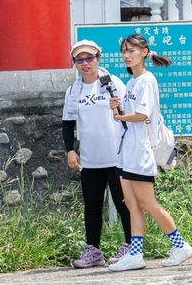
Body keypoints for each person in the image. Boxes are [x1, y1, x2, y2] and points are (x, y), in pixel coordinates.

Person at [107, 34, 192, 271]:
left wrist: (119, 115)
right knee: (131, 203)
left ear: (145, 52)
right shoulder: (133, 82)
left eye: (132, 51)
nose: (127, 55)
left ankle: (181, 245)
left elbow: (142, 115)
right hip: (127, 150)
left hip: (141, 151)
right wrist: (118, 108)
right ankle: (135, 254)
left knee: (148, 202)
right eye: (124, 51)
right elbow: (131, 115)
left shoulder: (147, 80)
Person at [62, 39, 132, 268]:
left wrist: (117, 108)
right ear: (75, 63)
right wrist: (70, 150)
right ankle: (93, 250)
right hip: (90, 159)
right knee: (92, 206)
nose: (85, 63)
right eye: (80, 60)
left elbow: (128, 113)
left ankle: (132, 246)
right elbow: (68, 123)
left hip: (117, 155)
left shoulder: (112, 83)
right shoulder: (73, 91)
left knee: (124, 203)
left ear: (98, 58)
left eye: (89, 58)